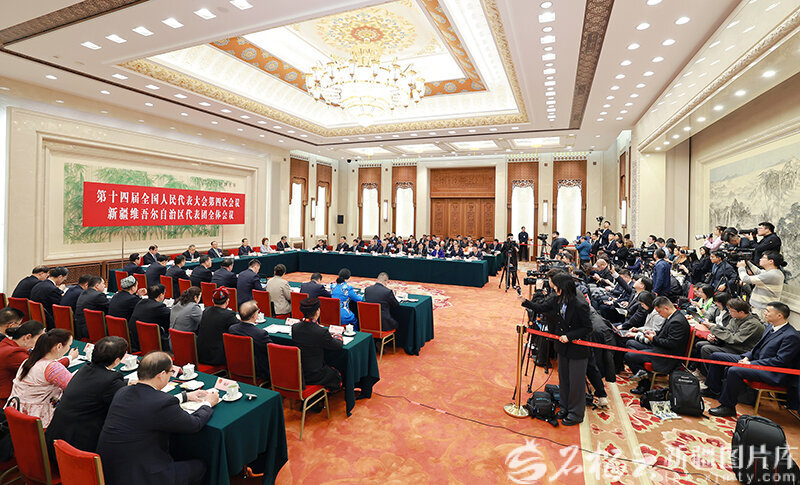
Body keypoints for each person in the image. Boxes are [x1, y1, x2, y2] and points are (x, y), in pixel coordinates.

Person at [97, 351, 218, 485]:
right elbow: (194, 424)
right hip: (142, 476)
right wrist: (208, 403)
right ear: (161, 375)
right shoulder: (162, 402)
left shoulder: (122, 392)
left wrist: (185, 396)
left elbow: (147, 406)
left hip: (110, 471)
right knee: (201, 466)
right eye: (171, 372)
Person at [519, 272, 592, 425]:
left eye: (555, 285)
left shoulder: (579, 304)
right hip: (562, 347)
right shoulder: (557, 299)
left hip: (577, 349)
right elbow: (542, 307)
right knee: (564, 379)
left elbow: (587, 328)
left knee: (576, 383)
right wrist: (525, 302)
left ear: (562, 287)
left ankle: (576, 414)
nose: (553, 287)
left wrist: (569, 336)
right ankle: (564, 407)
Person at [704, 302, 800, 417]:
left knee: (735, 370)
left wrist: (751, 363)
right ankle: (713, 390)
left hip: (772, 371)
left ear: (779, 315)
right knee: (716, 356)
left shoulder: (791, 336)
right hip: (756, 361)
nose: (765, 313)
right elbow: (757, 348)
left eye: (768, 311)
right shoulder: (770, 327)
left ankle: (728, 407)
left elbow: (780, 361)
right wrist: (747, 357)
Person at [45, 336, 128, 457]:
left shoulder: (85, 369)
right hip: (78, 449)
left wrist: (126, 383)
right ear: (116, 360)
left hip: (56, 439)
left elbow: (100, 384)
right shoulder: (111, 381)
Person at [6, 328, 78, 427]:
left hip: (17, 413)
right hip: (39, 420)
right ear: (59, 346)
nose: (69, 348)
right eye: (69, 345)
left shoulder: (29, 360)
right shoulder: (53, 367)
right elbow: (75, 390)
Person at [624, 297, 690, 394]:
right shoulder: (673, 316)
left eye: (659, 312)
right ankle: (643, 371)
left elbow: (672, 344)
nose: (659, 314)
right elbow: (665, 334)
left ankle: (644, 383)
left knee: (629, 356)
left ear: (666, 308)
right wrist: (654, 333)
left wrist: (653, 338)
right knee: (630, 343)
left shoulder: (677, 321)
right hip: (660, 348)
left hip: (667, 355)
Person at [693, 298, 764, 370]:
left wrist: (712, 328)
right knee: (699, 344)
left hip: (741, 349)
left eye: (732, 311)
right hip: (731, 345)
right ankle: (699, 370)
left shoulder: (753, 324)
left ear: (741, 312)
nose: (729, 312)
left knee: (706, 349)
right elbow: (727, 331)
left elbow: (734, 339)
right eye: (729, 310)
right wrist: (715, 337)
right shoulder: (736, 318)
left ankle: (708, 373)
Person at [291, 297, 343, 390]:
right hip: (315, 374)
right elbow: (338, 346)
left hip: (300, 371)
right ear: (317, 311)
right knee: (337, 373)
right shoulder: (321, 332)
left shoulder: (295, 327)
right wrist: (338, 335)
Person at [0, 321, 45, 402]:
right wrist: (68, 359)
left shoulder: (6, 343)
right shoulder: (14, 353)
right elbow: (42, 368)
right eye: (40, 339)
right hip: (5, 401)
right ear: (27, 337)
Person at [228, 301, 271, 383]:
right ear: (254, 315)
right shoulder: (260, 334)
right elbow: (271, 351)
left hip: (237, 366)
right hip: (258, 370)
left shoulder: (232, 329)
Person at [737, 251, 785, 319]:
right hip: (761, 308)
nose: (760, 259)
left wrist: (741, 267)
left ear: (771, 261)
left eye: (763, 258)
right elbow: (758, 272)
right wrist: (747, 261)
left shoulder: (772, 275)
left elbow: (745, 279)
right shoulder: (773, 272)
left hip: (762, 310)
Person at [197, 288, 238, 365]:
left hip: (201, 355)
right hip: (216, 358)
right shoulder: (229, 315)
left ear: (212, 300)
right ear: (227, 301)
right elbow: (240, 328)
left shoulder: (206, 311)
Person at [129, 284, 171, 352]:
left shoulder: (141, 302)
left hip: (135, 340)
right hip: (151, 342)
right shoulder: (159, 307)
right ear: (160, 295)